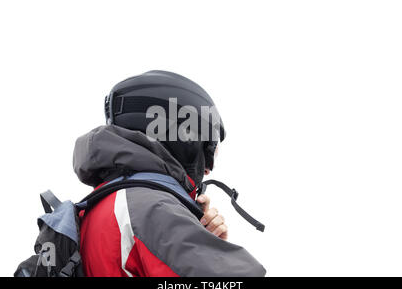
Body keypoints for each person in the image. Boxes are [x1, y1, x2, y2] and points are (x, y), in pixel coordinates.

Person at [73, 70, 266, 277]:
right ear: (184, 137)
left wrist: (208, 246)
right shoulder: (151, 208)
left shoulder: (96, 209)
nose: (208, 169)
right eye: (208, 152)